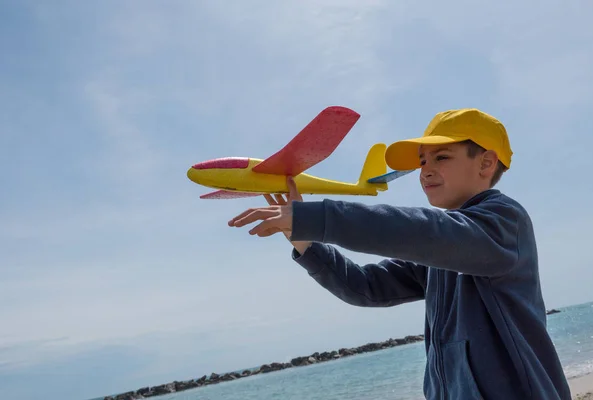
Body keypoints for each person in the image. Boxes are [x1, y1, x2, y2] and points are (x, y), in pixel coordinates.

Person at [228, 108, 572, 399]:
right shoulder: (443, 251)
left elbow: (422, 231)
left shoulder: (503, 221)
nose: (425, 171)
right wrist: (303, 240)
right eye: (423, 161)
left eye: (441, 157)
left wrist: (318, 218)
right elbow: (365, 287)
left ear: (485, 163)